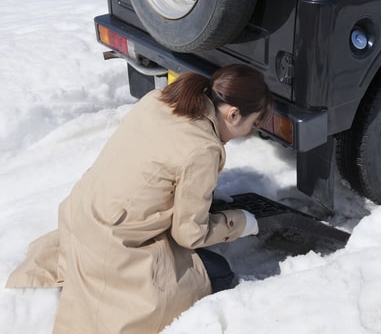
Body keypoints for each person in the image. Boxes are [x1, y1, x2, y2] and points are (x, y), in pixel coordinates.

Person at [5, 64, 272, 333]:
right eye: (255, 123)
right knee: (217, 272)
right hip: (113, 247)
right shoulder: (203, 149)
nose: (253, 130)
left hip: (82, 216)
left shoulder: (164, 99)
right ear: (234, 114)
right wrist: (239, 222)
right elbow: (189, 235)